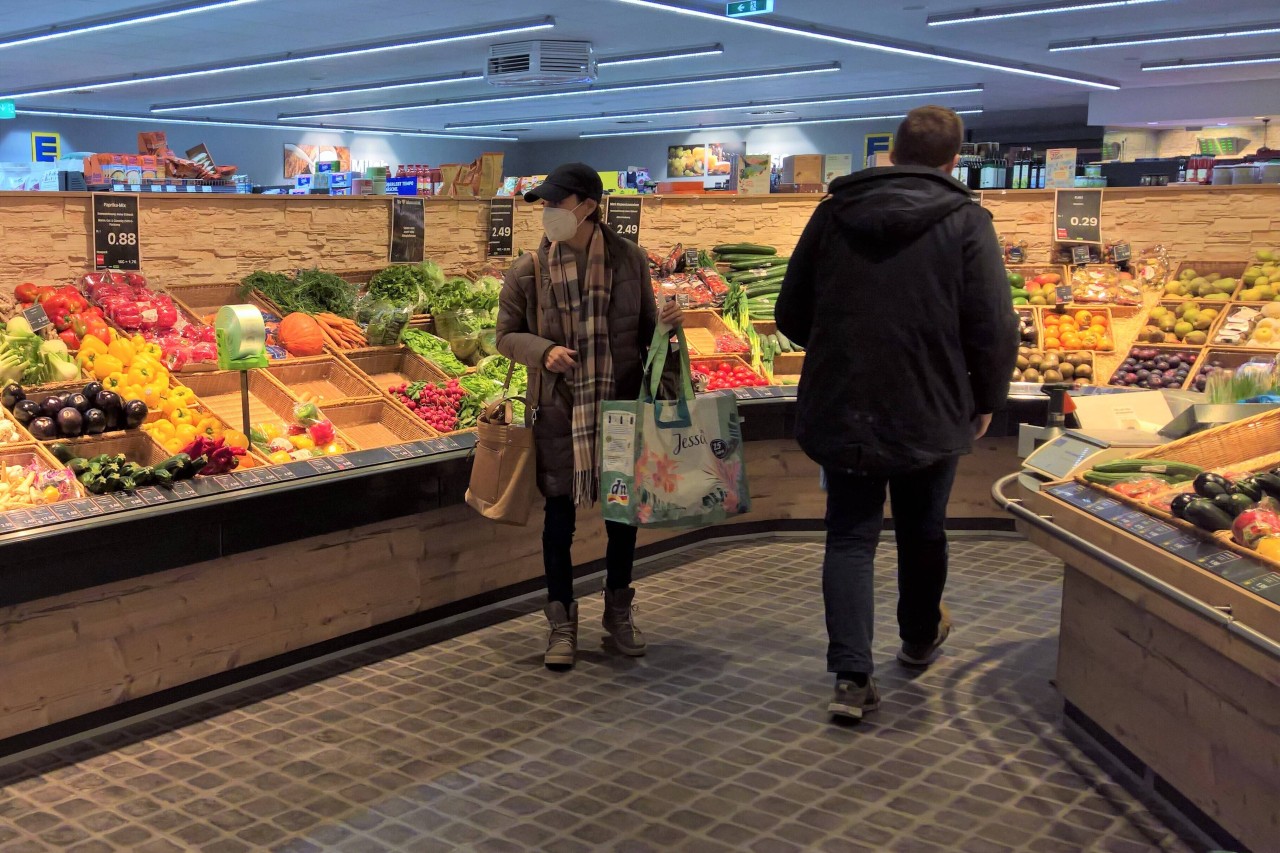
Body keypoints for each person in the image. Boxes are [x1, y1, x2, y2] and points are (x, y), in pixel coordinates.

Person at [775, 106, 1017, 722]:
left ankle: (852, 678)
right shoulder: (968, 222)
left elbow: (790, 312)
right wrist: (985, 398)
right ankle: (916, 639)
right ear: (953, 160)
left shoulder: (831, 215)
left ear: (891, 153)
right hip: (931, 405)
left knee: (850, 536)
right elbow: (993, 324)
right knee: (923, 527)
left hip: (844, 405)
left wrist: (840, 347)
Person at [497, 163, 683, 670]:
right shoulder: (527, 270)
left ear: (588, 206)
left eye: (558, 203)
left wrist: (670, 326)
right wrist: (543, 351)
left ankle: (617, 614)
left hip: (620, 408)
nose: (549, 213)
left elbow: (648, 332)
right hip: (559, 411)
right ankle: (561, 624)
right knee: (558, 523)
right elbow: (504, 336)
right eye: (545, 205)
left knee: (622, 519)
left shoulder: (629, 261)